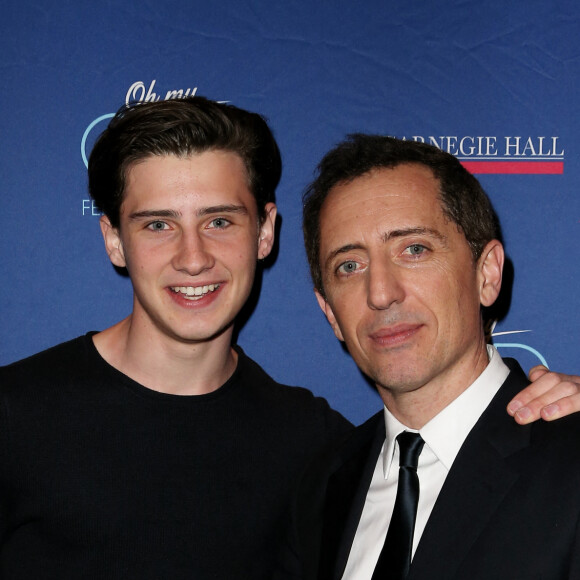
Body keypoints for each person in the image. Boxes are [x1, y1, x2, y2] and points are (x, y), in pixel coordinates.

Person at [0, 100, 576, 579]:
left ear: (265, 231)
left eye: (220, 221)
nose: (193, 257)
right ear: (114, 241)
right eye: (158, 224)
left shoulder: (314, 449)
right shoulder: (15, 414)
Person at [276, 134, 580, 580]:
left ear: (487, 273)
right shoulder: (320, 489)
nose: (380, 293)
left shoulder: (570, 462)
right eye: (349, 266)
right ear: (330, 313)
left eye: (414, 249)